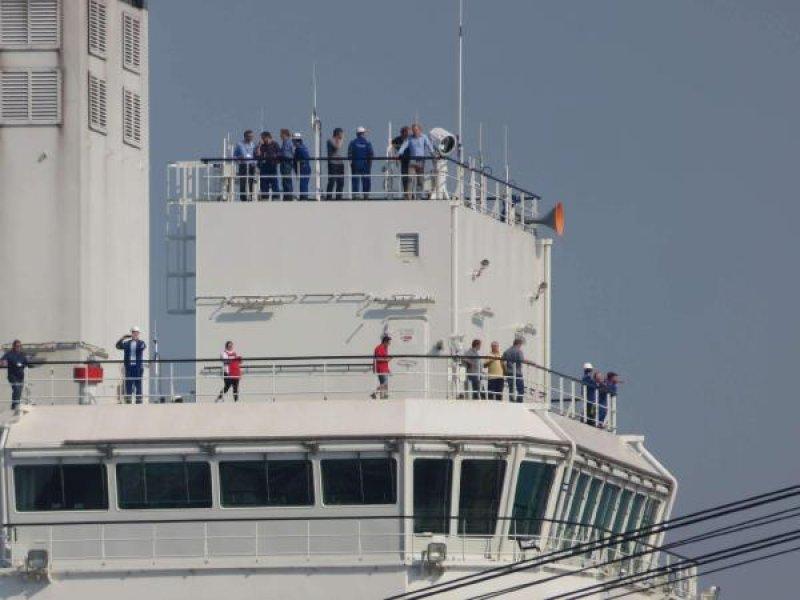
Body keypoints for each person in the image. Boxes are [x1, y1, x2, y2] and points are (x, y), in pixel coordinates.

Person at [394, 123, 436, 199]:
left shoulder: (424, 137)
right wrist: (398, 154)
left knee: (420, 180)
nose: (415, 132)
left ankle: (418, 197)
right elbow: (404, 146)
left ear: (420, 130)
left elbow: (430, 146)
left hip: (421, 161)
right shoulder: (409, 138)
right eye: (413, 130)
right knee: (410, 179)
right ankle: (409, 197)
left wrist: (433, 155)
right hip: (412, 161)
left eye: (416, 130)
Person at [116, 326, 147, 404]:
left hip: (138, 367)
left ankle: (139, 400)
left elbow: (142, 348)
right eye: (133, 332)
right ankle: (128, 399)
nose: (135, 334)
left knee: (138, 383)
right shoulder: (127, 343)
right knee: (129, 383)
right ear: (131, 333)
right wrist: (122, 338)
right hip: (129, 367)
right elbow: (118, 346)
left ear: (138, 333)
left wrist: (135, 341)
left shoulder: (141, 343)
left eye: (136, 333)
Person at [1, 340, 33, 410]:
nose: (18, 347)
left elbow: (27, 363)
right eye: (17, 346)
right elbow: (2, 360)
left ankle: (14, 406)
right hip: (12, 376)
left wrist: (31, 364)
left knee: (18, 391)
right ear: (13, 346)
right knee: (16, 389)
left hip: (20, 376)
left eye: (19, 346)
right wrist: (3, 362)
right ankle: (15, 406)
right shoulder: (9, 354)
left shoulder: (22, 355)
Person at [348, 126, 374, 199]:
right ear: (363, 133)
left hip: (355, 164)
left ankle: (355, 195)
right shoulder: (367, 143)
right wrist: (370, 165)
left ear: (357, 134)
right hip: (365, 165)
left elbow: (349, 154)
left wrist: (351, 164)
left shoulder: (352, 143)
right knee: (366, 180)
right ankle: (366, 196)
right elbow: (371, 154)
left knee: (355, 180)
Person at [255, 131, 280, 200]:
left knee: (274, 181)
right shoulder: (261, 145)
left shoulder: (275, 144)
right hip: (264, 166)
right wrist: (259, 146)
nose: (262, 139)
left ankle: (276, 196)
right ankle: (265, 196)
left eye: (263, 138)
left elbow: (279, 154)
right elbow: (257, 155)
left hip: (272, 166)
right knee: (264, 182)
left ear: (268, 137)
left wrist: (272, 157)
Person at [233, 129, 256, 201]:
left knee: (251, 181)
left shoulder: (253, 145)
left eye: (252, 136)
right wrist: (239, 159)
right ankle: (243, 198)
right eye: (249, 136)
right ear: (245, 136)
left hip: (252, 165)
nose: (251, 138)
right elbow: (235, 155)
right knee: (243, 182)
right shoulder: (239, 145)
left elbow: (255, 155)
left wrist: (256, 164)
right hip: (243, 165)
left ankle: (251, 197)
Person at [502, 337, 525, 402]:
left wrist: (505, 370)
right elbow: (521, 360)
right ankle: (518, 402)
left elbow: (502, 360)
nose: (521, 346)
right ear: (519, 344)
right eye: (520, 345)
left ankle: (512, 401)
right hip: (517, 373)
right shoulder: (519, 351)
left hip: (509, 372)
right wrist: (531, 362)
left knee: (511, 388)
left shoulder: (507, 351)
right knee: (521, 389)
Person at [326, 127, 346, 200]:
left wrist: (340, 139)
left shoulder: (339, 140)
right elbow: (337, 147)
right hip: (333, 163)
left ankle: (339, 197)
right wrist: (340, 139)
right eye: (341, 133)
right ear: (337, 134)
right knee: (332, 180)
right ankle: (329, 197)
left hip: (340, 163)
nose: (343, 135)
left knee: (341, 181)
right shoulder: (330, 140)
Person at [390, 126, 410, 196]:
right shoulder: (398, 139)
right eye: (405, 132)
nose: (407, 133)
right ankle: (406, 192)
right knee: (404, 176)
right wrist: (396, 149)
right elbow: (392, 143)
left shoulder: (410, 139)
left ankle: (410, 192)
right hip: (402, 160)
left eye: (407, 132)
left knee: (411, 177)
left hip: (411, 160)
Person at [370, 334, 391, 399]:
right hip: (381, 369)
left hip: (384, 368)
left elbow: (384, 359)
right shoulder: (379, 348)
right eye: (388, 342)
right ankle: (375, 393)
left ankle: (382, 396)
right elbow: (378, 359)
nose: (389, 344)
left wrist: (388, 369)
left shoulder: (385, 348)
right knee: (384, 383)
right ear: (385, 342)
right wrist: (387, 359)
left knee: (384, 383)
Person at [292, 132, 311, 199]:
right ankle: (303, 196)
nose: (293, 143)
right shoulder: (302, 148)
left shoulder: (300, 149)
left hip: (303, 168)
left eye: (293, 141)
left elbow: (304, 157)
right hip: (304, 168)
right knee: (303, 183)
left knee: (303, 183)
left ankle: (303, 197)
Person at [279, 128, 294, 199]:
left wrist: (279, 155)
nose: (280, 135)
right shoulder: (285, 142)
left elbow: (287, 154)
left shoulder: (287, 142)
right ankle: (287, 195)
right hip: (285, 163)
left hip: (286, 163)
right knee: (285, 180)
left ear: (284, 134)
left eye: (281, 134)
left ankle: (288, 196)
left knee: (287, 179)